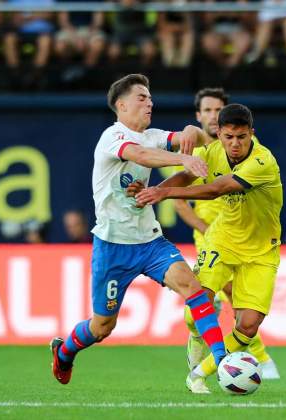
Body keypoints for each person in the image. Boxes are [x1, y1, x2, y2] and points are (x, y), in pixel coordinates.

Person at [49, 74, 227, 386]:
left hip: (150, 242)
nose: (150, 102)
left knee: (193, 289)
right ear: (121, 105)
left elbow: (197, 137)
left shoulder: (154, 135)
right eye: (142, 98)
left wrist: (190, 131)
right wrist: (183, 157)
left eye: (150, 98)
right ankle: (64, 351)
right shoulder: (112, 138)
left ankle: (222, 362)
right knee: (102, 326)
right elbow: (142, 156)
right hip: (113, 246)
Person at [136, 103, 283, 393]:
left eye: (242, 137)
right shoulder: (211, 152)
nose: (235, 144)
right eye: (229, 137)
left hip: (261, 251)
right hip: (222, 241)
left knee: (248, 326)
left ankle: (200, 373)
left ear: (252, 134)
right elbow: (186, 176)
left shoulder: (263, 162)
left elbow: (217, 189)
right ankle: (196, 341)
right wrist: (156, 187)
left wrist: (164, 193)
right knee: (197, 306)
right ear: (219, 133)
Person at [173, 88, 281, 380]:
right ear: (202, 118)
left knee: (243, 313)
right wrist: (203, 227)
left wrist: (162, 191)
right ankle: (232, 357)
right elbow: (182, 195)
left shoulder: (255, 157)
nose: (210, 115)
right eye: (206, 111)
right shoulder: (198, 149)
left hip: (252, 239)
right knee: (203, 303)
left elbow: (219, 188)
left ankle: (234, 360)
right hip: (214, 236)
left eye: (215, 110)